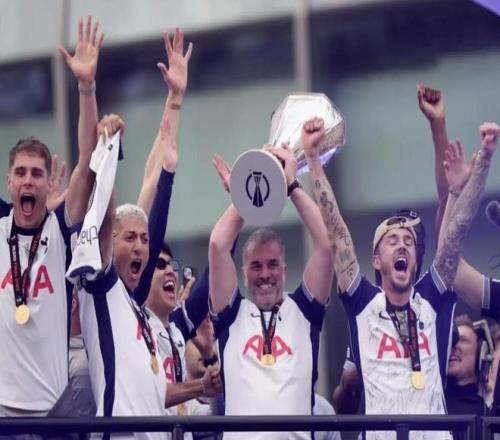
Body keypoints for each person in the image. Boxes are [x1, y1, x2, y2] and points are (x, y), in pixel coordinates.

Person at [304, 115, 497, 440]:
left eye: (408, 241)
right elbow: (336, 232)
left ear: (416, 258)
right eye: (392, 240)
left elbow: (457, 230)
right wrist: (313, 159)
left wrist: (485, 161)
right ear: (376, 260)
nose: (402, 245)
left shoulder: (431, 298)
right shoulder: (363, 302)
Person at [0, 16, 102, 423]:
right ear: (9, 182)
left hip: (54, 413)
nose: (28, 180)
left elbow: (88, 162)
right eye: (21, 173)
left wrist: (86, 88)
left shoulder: (60, 229)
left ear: (47, 183)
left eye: (36, 174)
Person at [208, 120, 334, 440]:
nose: (265, 274)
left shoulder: (304, 311)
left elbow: (326, 244)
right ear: (244, 272)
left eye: (272, 265)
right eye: (256, 266)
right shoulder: (231, 314)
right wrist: (248, 191)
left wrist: (289, 184)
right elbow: (218, 245)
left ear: (285, 269)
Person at [76, 104, 175, 440]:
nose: (140, 247)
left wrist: (175, 100)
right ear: (111, 242)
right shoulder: (102, 286)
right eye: (130, 238)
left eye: (145, 240)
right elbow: (105, 219)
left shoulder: (138, 307)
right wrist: (107, 152)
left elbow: (150, 185)